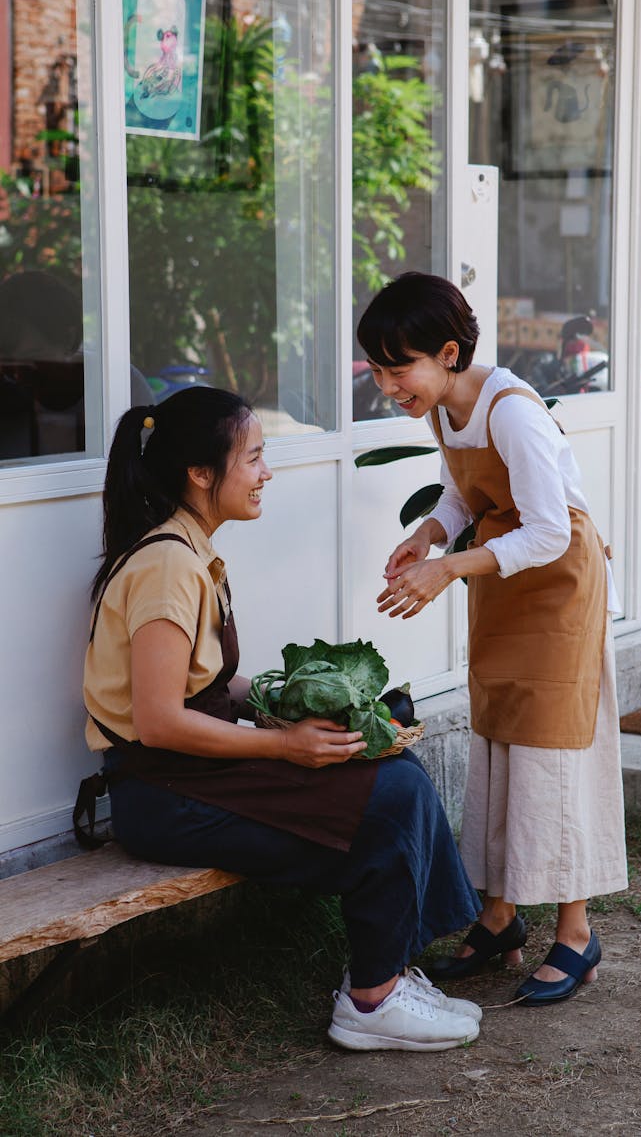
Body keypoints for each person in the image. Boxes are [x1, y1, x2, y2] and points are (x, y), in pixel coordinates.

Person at [82, 384, 482, 1050]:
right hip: (164, 793)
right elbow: (156, 720)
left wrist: (277, 706)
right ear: (201, 473)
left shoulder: (187, 551)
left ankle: (390, 970)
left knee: (386, 762)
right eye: (254, 457)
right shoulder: (167, 567)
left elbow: (204, 682)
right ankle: (372, 999)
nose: (267, 472)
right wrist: (284, 747)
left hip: (189, 776)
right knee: (390, 796)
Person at [357, 272, 628, 1007]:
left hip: (556, 582)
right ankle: (501, 917)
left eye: (397, 366)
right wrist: (431, 532)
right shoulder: (446, 406)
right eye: (378, 369)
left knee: (551, 749)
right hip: (506, 578)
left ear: (448, 353)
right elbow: (460, 490)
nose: (388, 384)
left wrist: (449, 567)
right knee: (499, 738)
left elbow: (548, 527)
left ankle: (576, 932)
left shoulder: (512, 411)